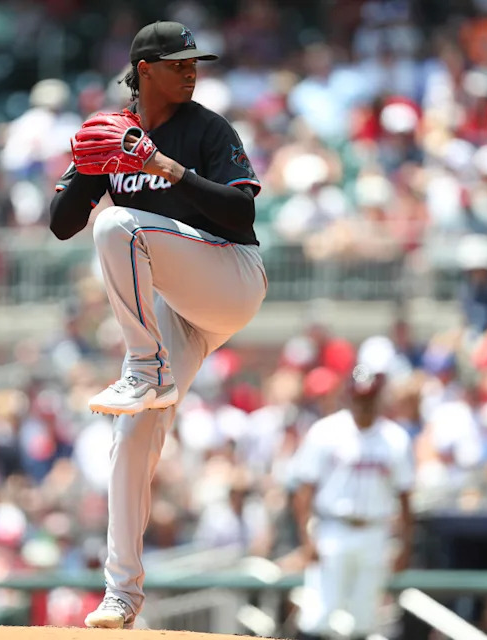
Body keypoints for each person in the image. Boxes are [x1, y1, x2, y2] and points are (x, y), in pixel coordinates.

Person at [48, 20, 267, 629]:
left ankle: (146, 369)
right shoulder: (116, 131)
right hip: (173, 309)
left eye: (196, 62)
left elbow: (242, 211)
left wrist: (165, 167)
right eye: (180, 63)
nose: (193, 70)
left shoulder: (206, 128)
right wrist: (84, 166)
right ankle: (122, 595)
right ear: (146, 70)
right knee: (131, 436)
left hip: (228, 278)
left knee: (120, 225)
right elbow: (62, 223)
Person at [290, 355, 415, 640]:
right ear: (349, 396)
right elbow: (304, 489)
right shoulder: (327, 431)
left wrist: (405, 545)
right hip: (333, 527)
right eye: (359, 397)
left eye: (369, 397)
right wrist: (306, 538)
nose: (364, 403)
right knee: (317, 615)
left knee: (364, 619)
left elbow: (406, 497)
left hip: (375, 530)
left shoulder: (395, 438)